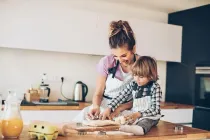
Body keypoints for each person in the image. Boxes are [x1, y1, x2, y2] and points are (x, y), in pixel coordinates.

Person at [72, 20, 139, 122]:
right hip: (104, 107)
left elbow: (142, 98)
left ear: (133, 49)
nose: (120, 60)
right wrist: (96, 106)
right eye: (116, 56)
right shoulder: (106, 62)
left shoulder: (144, 65)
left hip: (128, 109)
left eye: (124, 55)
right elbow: (98, 93)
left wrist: (117, 109)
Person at [101, 56, 162, 135]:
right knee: (122, 116)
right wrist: (109, 107)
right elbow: (121, 96)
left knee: (145, 122)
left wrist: (139, 114)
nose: (137, 79)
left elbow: (155, 110)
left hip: (149, 116)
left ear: (150, 76)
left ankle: (139, 129)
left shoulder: (155, 87)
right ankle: (122, 127)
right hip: (135, 113)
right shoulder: (133, 84)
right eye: (135, 75)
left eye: (141, 77)